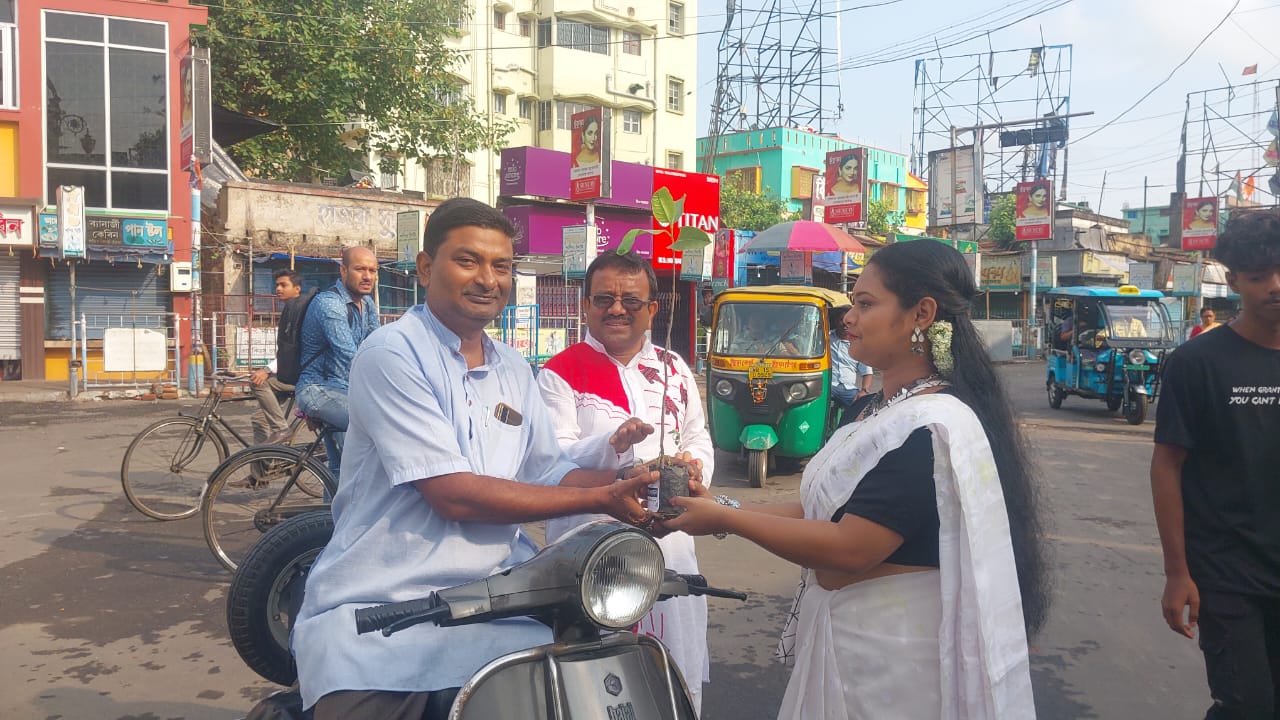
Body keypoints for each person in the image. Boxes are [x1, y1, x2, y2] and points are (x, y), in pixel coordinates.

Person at [292, 198, 660, 717]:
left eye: (502, 265)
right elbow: (452, 493)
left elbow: (548, 470)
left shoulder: (512, 366)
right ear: (425, 268)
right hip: (383, 611)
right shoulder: (391, 353)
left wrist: (625, 479)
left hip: (497, 604)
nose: (488, 279)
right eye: (468, 260)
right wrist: (604, 497)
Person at [665, 239, 1049, 719]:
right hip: (847, 644)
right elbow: (816, 511)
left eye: (866, 304)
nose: (847, 317)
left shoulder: (929, 425)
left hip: (894, 664)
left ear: (921, 315)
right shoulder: (868, 410)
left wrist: (726, 519)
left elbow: (851, 547)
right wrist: (720, 507)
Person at [537, 251, 716, 713]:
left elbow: (697, 434)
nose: (616, 309)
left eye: (630, 301)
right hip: (590, 548)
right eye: (604, 299)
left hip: (669, 540)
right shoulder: (559, 372)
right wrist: (611, 444)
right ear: (585, 306)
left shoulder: (674, 368)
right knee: (597, 684)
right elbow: (550, 460)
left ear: (653, 309)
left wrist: (694, 466)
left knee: (670, 671)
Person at [1151, 208, 1280, 720]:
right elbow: (1167, 466)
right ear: (1233, 281)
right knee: (1247, 706)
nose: (1275, 286)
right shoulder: (1197, 363)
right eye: (1257, 276)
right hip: (1227, 575)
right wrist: (1176, 571)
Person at [294, 246, 380, 473]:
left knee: (339, 470)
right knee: (370, 426)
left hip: (343, 389)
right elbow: (349, 356)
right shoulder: (329, 304)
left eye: (372, 270)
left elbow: (377, 348)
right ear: (343, 271)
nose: (367, 276)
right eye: (360, 269)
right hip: (317, 388)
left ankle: (330, 508)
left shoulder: (367, 304)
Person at [249, 269, 303, 445]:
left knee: (260, 382)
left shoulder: (300, 312)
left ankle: (281, 429)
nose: (278, 289)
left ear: (297, 289)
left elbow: (295, 351)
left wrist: (266, 370)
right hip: (288, 373)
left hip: (301, 375)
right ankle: (262, 470)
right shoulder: (289, 310)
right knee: (259, 419)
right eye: (277, 285)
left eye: (283, 285)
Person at [828, 306, 873, 410]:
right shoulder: (826, 339)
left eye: (847, 321)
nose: (844, 324)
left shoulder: (858, 344)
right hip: (828, 387)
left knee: (863, 410)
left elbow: (867, 373)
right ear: (836, 321)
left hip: (849, 390)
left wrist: (864, 391)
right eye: (841, 320)